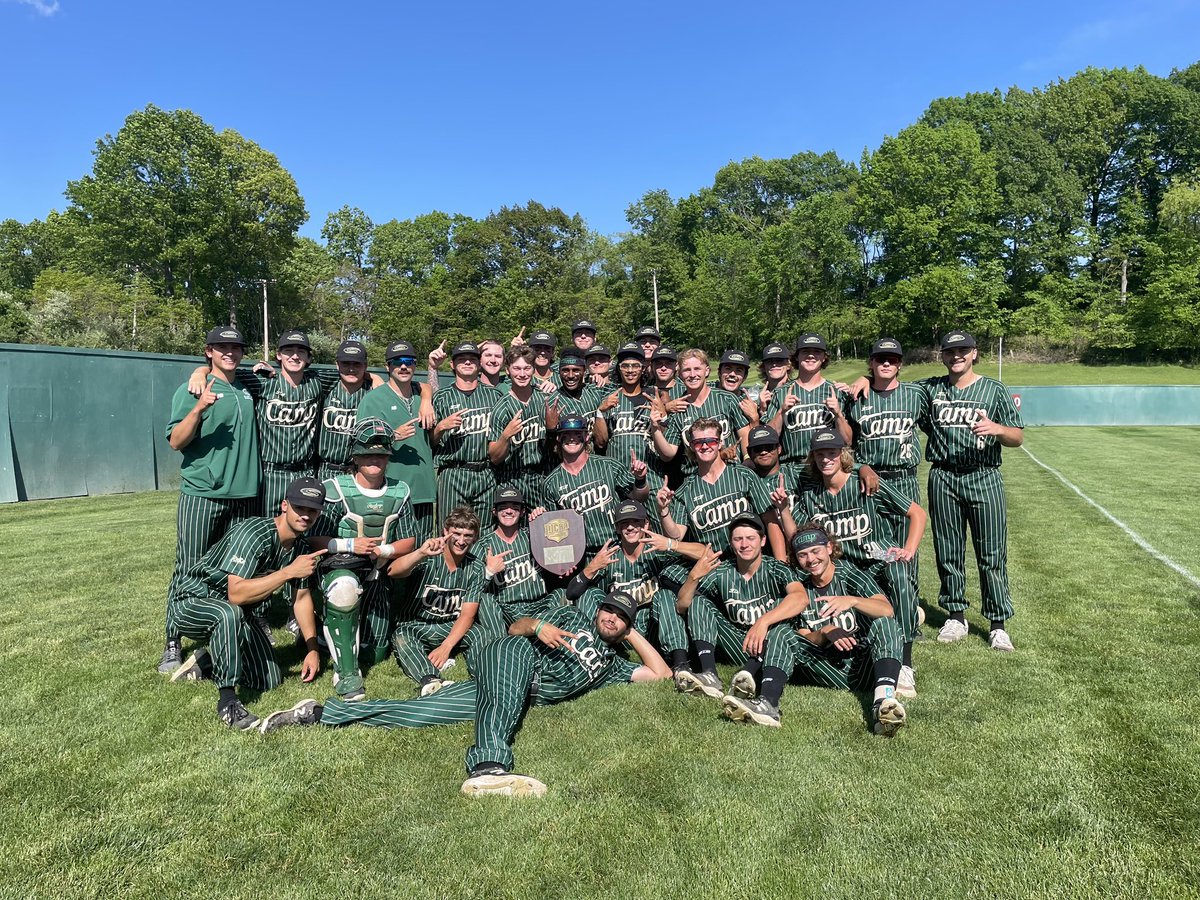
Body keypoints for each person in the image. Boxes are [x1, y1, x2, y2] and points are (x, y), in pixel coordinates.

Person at [259, 590, 672, 799]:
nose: (612, 618)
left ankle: (316, 714)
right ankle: (489, 767)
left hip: (507, 691)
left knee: (417, 713)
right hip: (510, 656)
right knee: (511, 670)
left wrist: (631, 628)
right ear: (597, 609)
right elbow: (515, 629)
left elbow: (661, 674)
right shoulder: (569, 614)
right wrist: (537, 628)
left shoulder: (611, 665)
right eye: (609, 611)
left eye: (620, 617)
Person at [167, 477, 328, 730]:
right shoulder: (253, 533)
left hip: (237, 611)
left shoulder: (300, 548)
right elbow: (237, 595)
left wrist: (312, 649)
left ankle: (208, 662)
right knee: (227, 614)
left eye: (312, 510)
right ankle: (228, 702)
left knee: (270, 680)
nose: (305, 515)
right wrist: (288, 572)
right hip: (194, 600)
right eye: (300, 508)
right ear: (285, 505)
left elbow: (302, 598)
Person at [737, 523, 907, 736]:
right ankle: (767, 705)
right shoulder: (800, 587)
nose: (810, 560)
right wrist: (825, 631)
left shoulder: (848, 573)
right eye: (802, 555)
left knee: (886, 624)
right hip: (824, 666)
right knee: (779, 632)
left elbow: (886, 609)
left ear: (828, 548)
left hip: (862, 665)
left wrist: (853, 600)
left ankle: (883, 700)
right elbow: (800, 635)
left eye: (816, 551)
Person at [159, 325, 262, 674]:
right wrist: (199, 406)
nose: (229, 352)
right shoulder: (193, 388)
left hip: (245, 494)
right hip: (203, 493)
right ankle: (173, 639)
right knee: (188, 566)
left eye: (235, 347)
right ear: (208, 351)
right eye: (221, 347)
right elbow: (176, 441)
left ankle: (227, 630)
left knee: (233, 570)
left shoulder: (248, 386)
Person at [794, 428, 926, 697]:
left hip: (876, 560)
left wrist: (908, 550)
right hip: (843, 568)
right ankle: (908, 619)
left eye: (832, 452)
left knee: (900, 574)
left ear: (842, 454)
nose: (826, 459)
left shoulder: (865, 483)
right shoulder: (810, 493)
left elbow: (917, 513)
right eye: (820, 454)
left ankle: (905, 663)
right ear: (812, 457)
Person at [920, 330, 1024, 650]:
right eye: (950, 352)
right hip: (944, 477)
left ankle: (997, 623)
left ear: (974, 353)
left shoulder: (993, 389)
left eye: (963, 351)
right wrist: (864, 381)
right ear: (943, 356)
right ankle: (955, 615)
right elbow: (895, 389)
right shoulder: (932, 389)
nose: (956, 356)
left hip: (984, 476)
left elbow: (1017, 436)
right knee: (948, 550)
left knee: (991, 553)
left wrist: (997, 429)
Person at [307, 418, 418, 700]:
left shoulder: (399, 491)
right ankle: (347, 676)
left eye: (380, 454)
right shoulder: (334, 489)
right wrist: (349, 544)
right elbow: (313, 540)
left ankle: (329, 634)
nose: (374, 460)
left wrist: (384, 550)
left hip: (377, 574)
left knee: (377, 652)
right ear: (355, 456)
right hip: (338, 569)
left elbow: (410, 540)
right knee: (344, 590)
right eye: (368, 453)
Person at [673, 513, 804, 724]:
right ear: (731, 544)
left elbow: (800, 598)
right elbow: (682, 606)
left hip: (770, 646)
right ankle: (709, 675)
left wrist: (763, 622)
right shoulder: (723, 571)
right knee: (699, 602)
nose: (744, 544)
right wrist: (693, 577)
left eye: (750, 538)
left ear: (762, 541)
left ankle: (756, 681)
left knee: (782, 627)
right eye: (738, 539)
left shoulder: (776, 568)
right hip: (739, 642)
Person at [843, 337, 930, 617]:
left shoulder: (915, 394)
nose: (886, 363)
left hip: (903, 477)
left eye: (892, 359)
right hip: (869, 479)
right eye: (880, 358)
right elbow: (846, 442)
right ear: (871, 363)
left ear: (900, 364)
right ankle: (877, 604)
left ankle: (908, 607)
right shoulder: (855, 398)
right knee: (874, 543)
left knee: (907, 547)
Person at [566, 500, 702, 674]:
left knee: (665, 596)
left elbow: (705, 553)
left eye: (635, 522)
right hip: (619, 628)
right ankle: (597, 654)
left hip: (653, 625)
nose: (630, 528)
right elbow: (571, 593)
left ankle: (681, 664)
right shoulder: (610, 556)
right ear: (617, 528)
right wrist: (592, 567)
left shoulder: (657, 548)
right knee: (590, 593)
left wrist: (671, 544)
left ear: (646, 523)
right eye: (624, 523)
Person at [388, 506, 504, 695]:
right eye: (456, 533)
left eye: (468, 535)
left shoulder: (475, 566)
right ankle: (430, 679)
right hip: (417, 624)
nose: (461, 540)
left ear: (475, 538)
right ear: (445, 532)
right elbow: (393, 571)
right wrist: (420, 553)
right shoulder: (430, 556)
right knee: (402, 637)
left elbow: (468, 614)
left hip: (449, 625)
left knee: (481, 634)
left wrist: (446, 646)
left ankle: (484, 677)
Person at [655, 417, 785, 559]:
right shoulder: (685, 490)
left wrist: (781, 562)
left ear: (720, 442)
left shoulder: (744, 475)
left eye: (710, 441)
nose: (705, 446)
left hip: (752, 561)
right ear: (691, 446)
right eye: (698, 443)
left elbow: (771, 521)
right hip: (714, 568)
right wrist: (663, 510)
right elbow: (676, 537)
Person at [356, 340, 438, 540]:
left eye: (408, 361)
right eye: (397, 361)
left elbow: (433, 441)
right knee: (391, 550)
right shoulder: (374, 399)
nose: (403, 366)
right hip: (390, 490)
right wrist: (392, 436)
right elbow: (361, 441)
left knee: (423, 549)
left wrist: (427, 400)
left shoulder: (421, 396)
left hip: (423, 490)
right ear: (387, 366)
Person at [540, 416, 650, 553]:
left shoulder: (609, 465)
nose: (572, 438)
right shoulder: (550, 483)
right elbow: (553, 532)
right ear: (558, 438)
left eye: (577, 434)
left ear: (586, 437)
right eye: (566, 434)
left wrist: (640, 479)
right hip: (581, 556)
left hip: (617, 548)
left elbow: (639, 498)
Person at [432, 342, 503, 525]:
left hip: (486, 471)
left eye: (472, 359)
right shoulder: (441, 397)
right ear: (453, 365)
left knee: (484, 529)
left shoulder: (494, 396)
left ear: (479, 364)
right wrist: (440, 427)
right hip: (453, 472)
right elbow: (429, 442)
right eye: (462, 359)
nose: (467, 363)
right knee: (450, 529)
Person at [477, 487, 571, 624]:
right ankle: (497, 644)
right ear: (494, 511)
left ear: (522, 512)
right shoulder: (483, 545)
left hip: (538, 605)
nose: (509, 511)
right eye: (503, 507)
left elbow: (562, 550)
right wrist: (488, 572)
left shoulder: (535, 535)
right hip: (505, 610)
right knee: (486, 600)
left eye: (515, 507)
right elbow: (471, 589)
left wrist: (544, 519)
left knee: (560, 594)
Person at [650, 349, 751, 476]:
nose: (692, 374)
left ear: (707, 371)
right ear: (680, 373)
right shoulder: (678, 408)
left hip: (731, 472)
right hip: (696, 479)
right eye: (687, 370)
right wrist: (655, 429)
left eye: (697, 369)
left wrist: (747, 458)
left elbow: (744, 433)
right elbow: (668, 454)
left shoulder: (727, 399)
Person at [765, 332, 852, 464]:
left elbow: (848, 441)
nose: (811, 355)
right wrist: (781, 412)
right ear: (797, 357)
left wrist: (838, 415)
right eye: (805, 351)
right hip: (791, 468)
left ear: (824, 357)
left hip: (826, 467)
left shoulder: (837, 392)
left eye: (817, 351)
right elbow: (768, 439)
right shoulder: (781, 393)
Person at [488, 346, 553, 507]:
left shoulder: (545, 399)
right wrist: (505, 436)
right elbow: (494, 457)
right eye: (516, 368)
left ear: (533, 369)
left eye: (527, 368)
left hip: (542, 476)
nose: (522, 374)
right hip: (512, 479)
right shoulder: (502, 408)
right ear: (508, 370)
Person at [316, 340, 386, 482]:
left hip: (359, 472)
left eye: (357, 364)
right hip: (325, 470)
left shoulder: (374, 392)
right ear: (337, 364)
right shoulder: (326, 386)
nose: (351, 369)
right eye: (346, 363)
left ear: (365, 366)